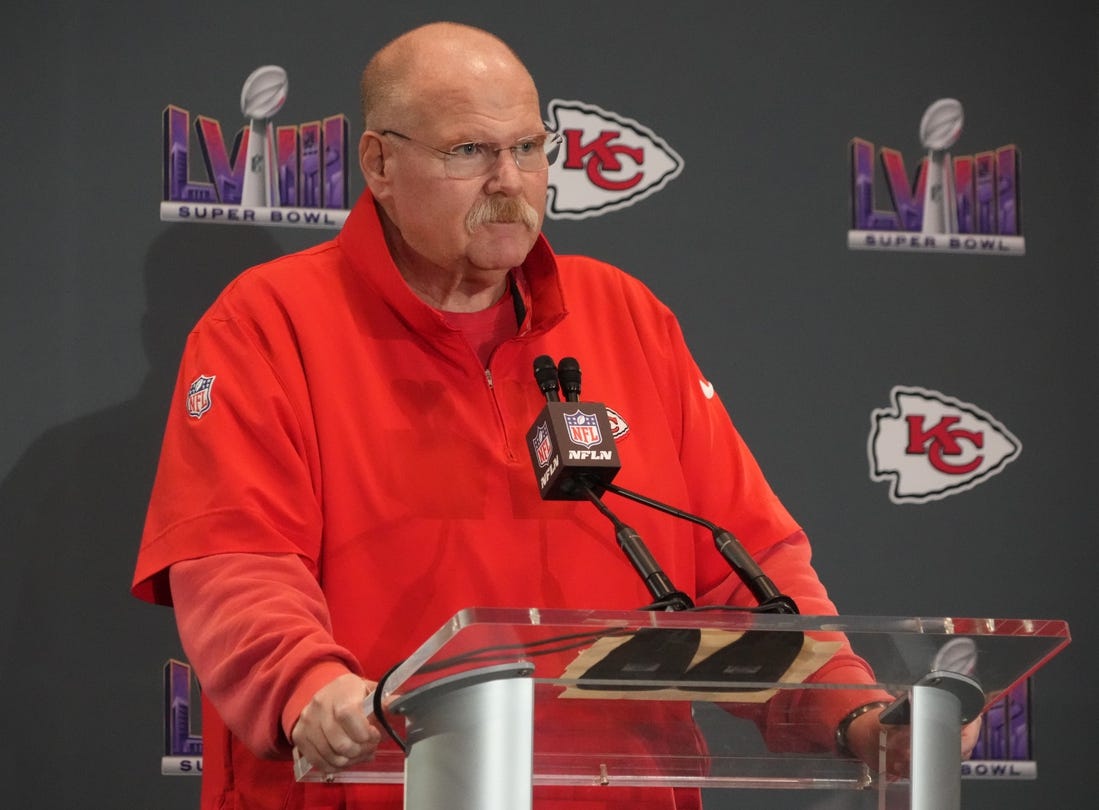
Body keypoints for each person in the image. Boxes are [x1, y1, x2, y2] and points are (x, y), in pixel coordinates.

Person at [132, 21, 978, 810]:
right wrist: (310, 688)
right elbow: (235, 561)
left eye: (530, 148)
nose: (509, 183)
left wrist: (856, 714)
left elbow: (742, 569)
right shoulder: (267, 324)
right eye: (470, 151)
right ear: (378, 164)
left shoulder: (624, 317)